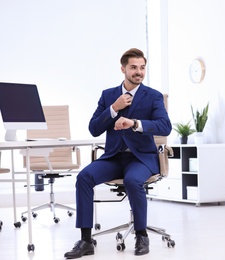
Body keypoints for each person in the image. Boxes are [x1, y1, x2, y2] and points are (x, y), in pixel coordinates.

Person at [64, 48, 172, 259]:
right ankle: (86, 240)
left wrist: (135, 123)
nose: (138, 72)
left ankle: (141, 235)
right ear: (123, 68)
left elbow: (165, 127)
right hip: (113, 157)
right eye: (133, 67)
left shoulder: (153, 96)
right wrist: (113, 108)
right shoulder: (108, 96)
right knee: (84, 177)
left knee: (132, 180)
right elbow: (94, 128)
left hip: (141, 158)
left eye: (142, 68)